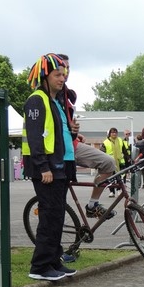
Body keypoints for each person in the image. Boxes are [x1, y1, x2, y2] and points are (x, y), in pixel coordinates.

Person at [22, 53, 77, 281]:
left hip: (59, 166)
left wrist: (72, 132)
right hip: (46, 169)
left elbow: (53, 134)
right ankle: (40, 267)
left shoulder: (56, 101)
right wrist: (43, 166)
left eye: (63, 74)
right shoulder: (37, 100)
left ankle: (54, 261)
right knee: (49, 216)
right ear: (45, 76)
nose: (62, 78)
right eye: (57, 74)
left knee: (56, 216)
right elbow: (35, 138)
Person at [56, 54, 116, 222]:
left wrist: (74, 132)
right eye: (61, 70)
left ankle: (92, 205)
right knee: (56, 202)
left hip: (71, 143)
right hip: (61, 149)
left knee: (108, 163)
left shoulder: (65, 93)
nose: (65, 73)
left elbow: (62, 121)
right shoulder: (49, 94)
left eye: (67, 69)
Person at [100, 127, 128, 198]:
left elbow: (124, 151)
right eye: (112, 132)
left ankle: (119, 189)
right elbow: (101, 153)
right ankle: (112, 191)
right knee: (111, 178)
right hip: (110, 162)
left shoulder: (120, 140)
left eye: (115, 132)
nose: (114, 134)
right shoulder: (105, 142)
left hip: (120, 162)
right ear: (109, 134)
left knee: (120, 177)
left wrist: (127, 159)